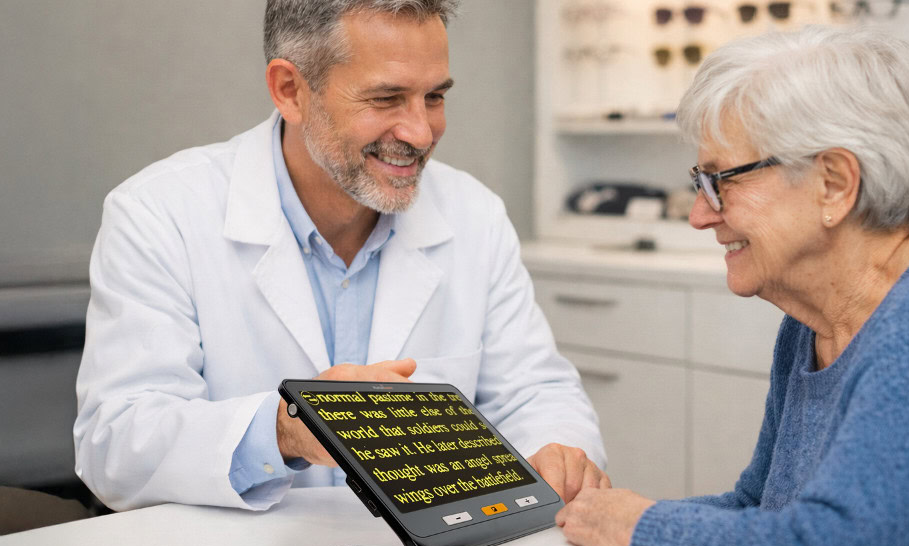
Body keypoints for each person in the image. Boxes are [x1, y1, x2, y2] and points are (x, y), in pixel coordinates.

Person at [555, 26, 909, 546]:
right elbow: (762, 510)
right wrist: (600, 520)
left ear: (835, 184)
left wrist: (639, 526)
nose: (700, 214)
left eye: (722, 180)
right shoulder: (815, 323)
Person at [74, 0, 608, 512]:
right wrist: (286, 429)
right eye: (385, 99)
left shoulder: (475, 215)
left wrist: (558, 452)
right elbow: (116, 443)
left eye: (435, 97)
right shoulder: (159, 212)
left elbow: (535, 393)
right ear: (290, 91)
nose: (421, 132)